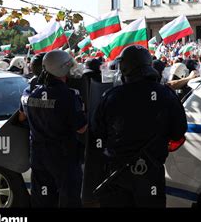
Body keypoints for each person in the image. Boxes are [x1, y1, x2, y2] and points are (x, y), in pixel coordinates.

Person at [91, 45, 187, 207]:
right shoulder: (166, 95)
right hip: (151, 173)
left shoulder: (111, 96)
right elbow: (178, 132)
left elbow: (97, 132)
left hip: (117, 174)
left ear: (125, 68)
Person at [25, 50, 87, 207]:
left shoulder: (33, 94)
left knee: (43, 200)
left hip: (39, 156)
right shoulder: (68, 95)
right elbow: (81, 128)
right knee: (69, 199)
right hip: (63, 158)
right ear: (62, 69)